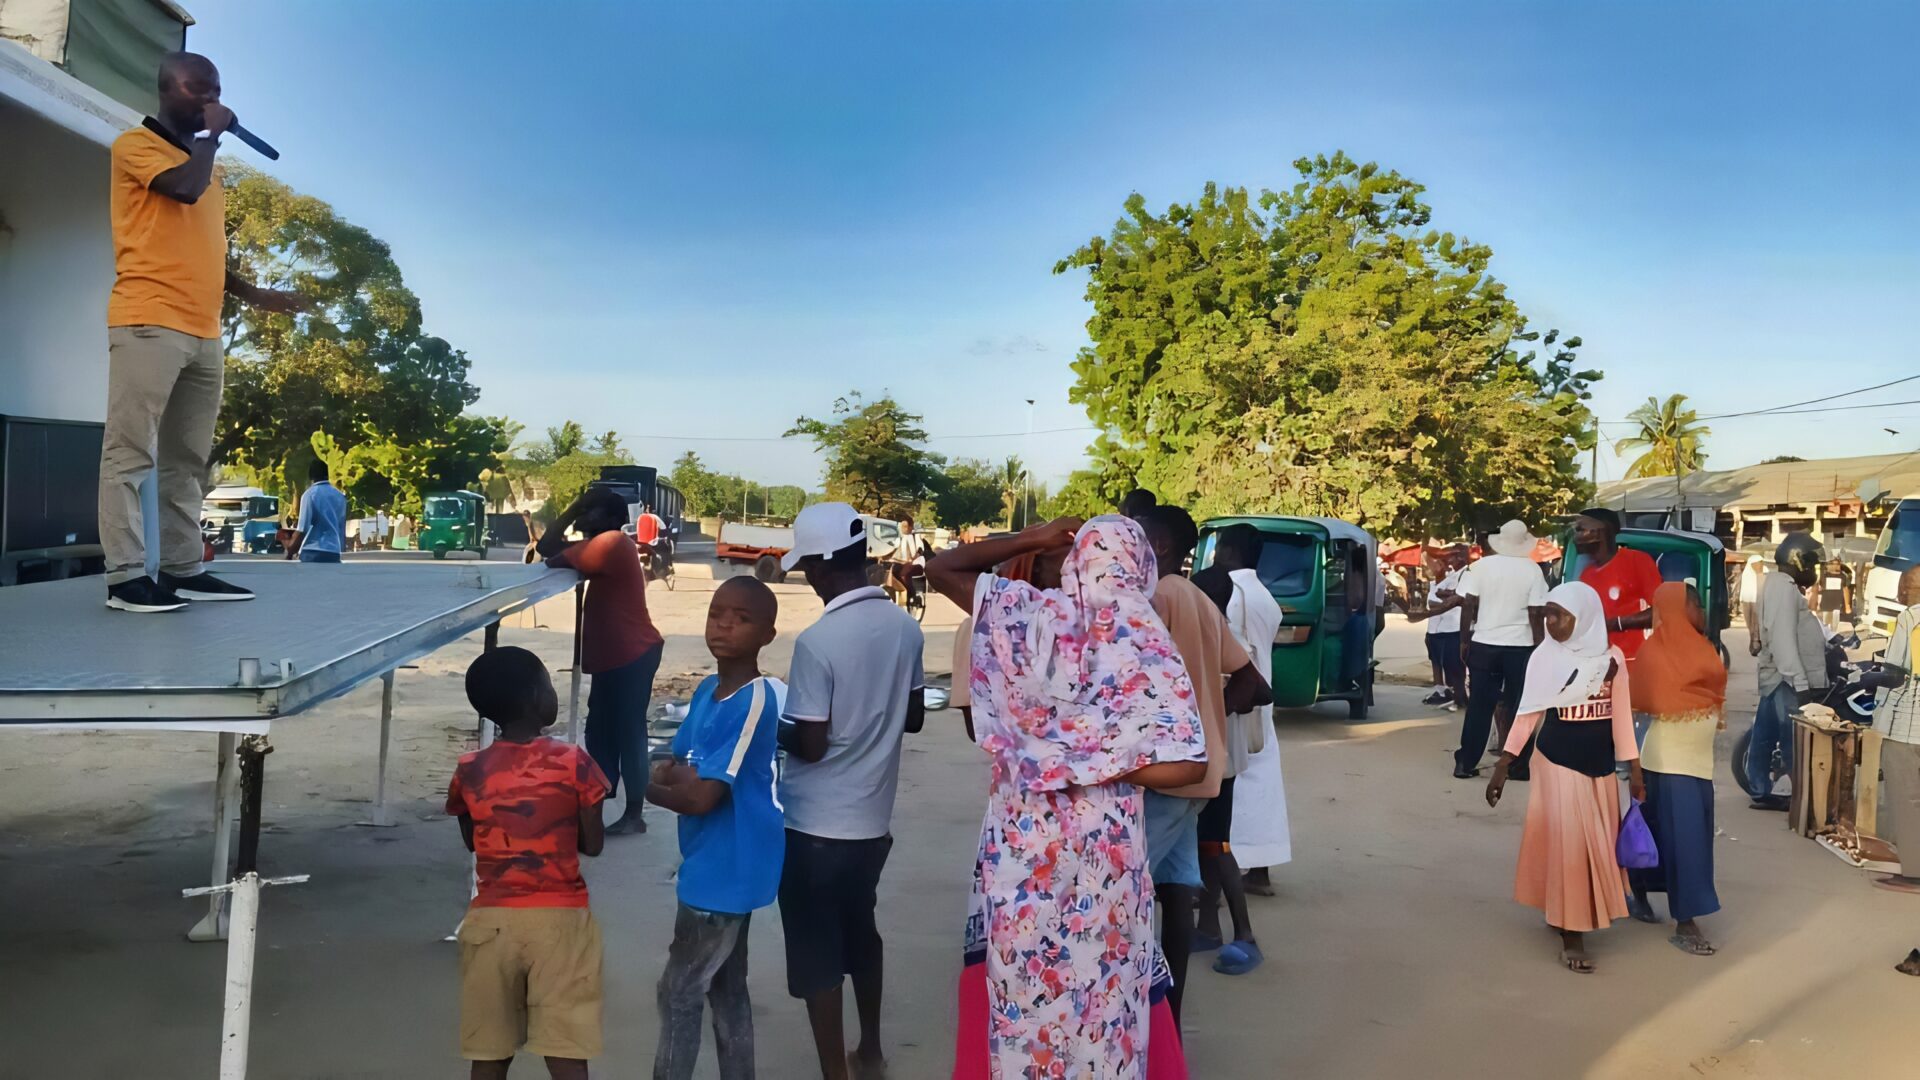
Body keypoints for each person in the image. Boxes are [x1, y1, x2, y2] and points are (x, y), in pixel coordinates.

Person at [927, 516, 1207, 1079]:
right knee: (1104, 1001)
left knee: (1024, 992)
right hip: (1105, 857)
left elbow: (941, 568)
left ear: (1076, 557)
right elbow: (1187, 764)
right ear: (1140, 565)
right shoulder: (1145, 637)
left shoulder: (1024, 616)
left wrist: (1036, 537)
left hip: (1022, 850)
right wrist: (1100, 762)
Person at [99, 52, 306, 612]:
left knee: (188, 458)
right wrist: (211, 140)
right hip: (148, 319)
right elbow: (183, 189)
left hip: (202, 330)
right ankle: (123, 578)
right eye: (198, 89)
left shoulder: (203, 167)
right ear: (167, 88)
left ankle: (183, 568)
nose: (212, 99)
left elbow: (205, 251)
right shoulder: (137, 147)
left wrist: (257, 295)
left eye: (216, 89)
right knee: (129, 453)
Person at [775, 503, 926, 1080]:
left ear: (819, 565)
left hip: (814, 824)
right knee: (861, 932)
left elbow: (811, 745)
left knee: (817, 954)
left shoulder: (818, 641)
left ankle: (835, 1072)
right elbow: (911, 717)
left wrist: (768, 720)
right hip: (871, 824)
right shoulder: (904, 627)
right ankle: (871, 1050)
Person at [447, 646, 610, 1080]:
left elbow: (473, 841)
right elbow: (592, 844)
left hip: (490, 923)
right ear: (539, 696)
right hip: (560, 920)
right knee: (566, 1049)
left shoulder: (471, 769)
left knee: (490, 1052)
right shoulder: (573, 762)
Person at [645, 578, 785, 1080]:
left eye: (741, 618)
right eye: (716, 613)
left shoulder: (754, 700)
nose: (724, 624)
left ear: (767, 634)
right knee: (726, 987)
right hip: (709, 858)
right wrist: (676, 779)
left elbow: (702, 795)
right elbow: (678, 762)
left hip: (729, 865)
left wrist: (646, 788)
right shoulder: (708, 690)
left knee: (679, 992)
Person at [1137, 506, 1272, 996]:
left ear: (1162, 545)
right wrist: (1207, 716)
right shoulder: (1195, 596)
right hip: (1202, 768)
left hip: (1166, 771)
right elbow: (1253, 682)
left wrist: (1185, 718)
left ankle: (1126, 1005)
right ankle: (1167, 1010)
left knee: (1127, 890)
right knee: (1177, 893)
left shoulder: (1152, 597)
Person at [1484, 582, 1642, 974]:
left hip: (1600, 762)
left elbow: (1621, 717)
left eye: (1560, 616)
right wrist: (1504, 765)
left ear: (1584, 617)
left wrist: (1634, 768)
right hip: (1556, 760)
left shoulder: (1613, 658)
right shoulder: (1545, 657)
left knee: (1596, 842)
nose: (1551, 623)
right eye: (1547, 614)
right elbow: (1528, 713)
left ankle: (1567, 910)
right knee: (1573, 843)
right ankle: (1573, 933)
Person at [537, 486, 665, 834]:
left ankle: (634, 815)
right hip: (618, 656)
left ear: (611, 519)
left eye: (590, 511)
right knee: (600, 729)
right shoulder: (604, 545)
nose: (582, 518)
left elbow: (546, 549)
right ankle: (603, 790)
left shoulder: (610, 545)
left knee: (629, 733)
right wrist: (577, 507)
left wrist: (571, 506)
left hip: (631, 654)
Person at [1194, 523, 1292, 923]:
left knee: (1226, 806)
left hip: (1233, 708)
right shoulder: (1265, 594)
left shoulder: (1230, 594)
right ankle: (1259, 870)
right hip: (1258, 709)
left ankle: (1213, 893)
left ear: (1228, 550)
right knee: (1259, 787)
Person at [1625, 583, 1727, 955]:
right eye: (1696, 606)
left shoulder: (1703, 647)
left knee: (1662, 834)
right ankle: (1686, 923)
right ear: (1675, 611)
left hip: (1697, 762)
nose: (1701, 613)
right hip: (1668, 761)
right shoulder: (1654, 654)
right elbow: (1642, 708)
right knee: (1685, 843)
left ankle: (1640, 896)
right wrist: (1634, 770)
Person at [1456, 521, 1549, 780]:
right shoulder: (1533, 570)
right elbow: (1536, 613)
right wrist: (1539, 649)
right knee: (1521, 707)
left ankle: (1465, 763)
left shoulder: (1481, 566)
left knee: (1479, 706)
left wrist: (1464, 640)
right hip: (1520, 647)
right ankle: (1518, 767)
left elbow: (1468, 604)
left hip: (1485, 644)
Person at [1749, 534, 1830, 811]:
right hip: (1786, 678)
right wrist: (1800, 682)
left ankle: (1760, 788)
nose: (1814, 571)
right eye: (1812, 565)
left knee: (1764, 733)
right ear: (1798, 561)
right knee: (1791, 739)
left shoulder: (1779, 585)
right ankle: (1796, 795)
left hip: (1778, 676)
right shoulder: (1783, 589)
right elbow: (1783, 639)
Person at [1870, 567, 1920, 889]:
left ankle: (1914, 872)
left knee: (1907, 799)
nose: (1900, 592)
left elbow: (1896, 673)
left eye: (1905, 585)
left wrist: (1877, 713)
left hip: (1908, 726)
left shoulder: (1910, 618)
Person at [1573, 508, 1663, 664]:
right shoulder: (1586, 575)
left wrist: (1617, 623)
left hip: (1634, 662)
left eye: (1581, 530)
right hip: (1597, 664)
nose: (1576, 537)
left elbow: (1662, 610)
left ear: (1600, 532)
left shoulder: (1637, 561)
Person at [1409, 546, 1469, 711]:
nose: (1450, 561)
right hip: (1437, 626)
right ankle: (1446, 693)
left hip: (1452, 626)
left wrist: (1441, 601)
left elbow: (1454, 600)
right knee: (1439, 661)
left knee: (1455, 665)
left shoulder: (1464, 574)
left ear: (1461, 558)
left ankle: (1459, 697)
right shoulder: (1446, 577)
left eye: (1453, 557)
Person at [284, 459, 346, 563]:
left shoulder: (310, 494)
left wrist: (290, 552)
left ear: (311, 476)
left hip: (313, 551)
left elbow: (303, 529)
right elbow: (340, 526)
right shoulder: (340, 496)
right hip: (334, 552)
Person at [1738, 557, 1768, 656]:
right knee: (1749, 624)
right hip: (1747, 600)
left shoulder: (1765, 571)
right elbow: (1743, 587)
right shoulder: (1746, 573)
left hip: (1758, 600)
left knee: (1757, 623)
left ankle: (1756, 643)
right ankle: (1753, 642)